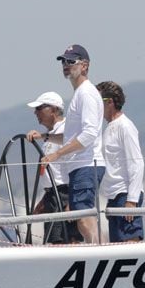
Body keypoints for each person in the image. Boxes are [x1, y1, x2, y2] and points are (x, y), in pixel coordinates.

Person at [28, 44, 105, 243]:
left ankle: (97, 253)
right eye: (63, 61)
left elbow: (89, 134)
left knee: (83, 217)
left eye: (71, 61)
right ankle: (96, 250)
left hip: (87, 164)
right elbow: (71, 136)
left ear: (85, 66)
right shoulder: (79, 94)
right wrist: (44, 137)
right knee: (80, 217)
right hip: (79, 166)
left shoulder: (86, 93)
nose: (66, 65)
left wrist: (57, 154)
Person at [26, 91, 82, 244]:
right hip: (52, 196)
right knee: (54, 240)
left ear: (54, 110)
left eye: (39, 108)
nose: (35, 112)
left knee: (67, 240)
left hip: (65, 194)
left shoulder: (67, 130)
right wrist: (44, 201)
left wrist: (72, 202)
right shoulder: (50, 135)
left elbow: (75, 165)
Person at [96, 81, 145, 242]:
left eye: (98, 101)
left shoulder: (125, 126)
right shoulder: (108, 127)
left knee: (130, 245)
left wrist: (131, 200)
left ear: (109, 102)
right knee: (117, 248)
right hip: (113, 196)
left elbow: (136, 163)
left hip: (125, 195)